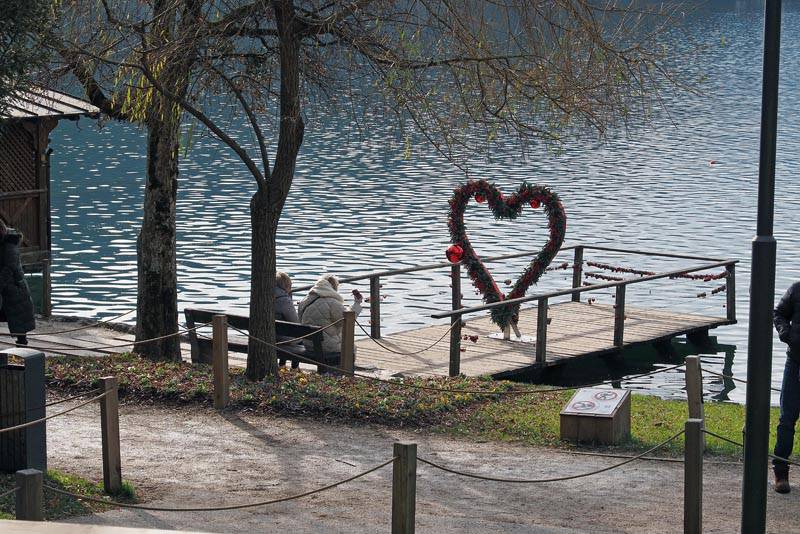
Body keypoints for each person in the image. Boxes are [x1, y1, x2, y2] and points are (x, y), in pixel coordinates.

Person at [297, 274, 362, 366]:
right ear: (333, 287)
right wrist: (357, 304)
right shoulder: (332, 302)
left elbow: (300, 319)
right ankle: (345, 372)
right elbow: (348, 320)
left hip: (308, 344)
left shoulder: (305, 300)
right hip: (326, 347)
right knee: (351, 347)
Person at [773, 282, 800, 493]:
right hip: (796, 363)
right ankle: (781, 473)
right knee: (787, 420)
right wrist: (786, 334)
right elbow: (779, 313)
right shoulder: (797, 289)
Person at [0, 220, 35, 345]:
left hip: (15, 286)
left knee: (19, 317)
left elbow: (9, 268)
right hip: (5, 286)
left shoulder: (10, 243)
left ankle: (22, 344)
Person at [274, 271, 304, 367]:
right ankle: (294, 368)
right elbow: (295, 323)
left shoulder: (265, 295)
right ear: (286, 286)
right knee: (300, 339)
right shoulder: (284, 300)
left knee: (287, 333)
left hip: (267, 336)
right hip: (279, 338)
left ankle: (282, 364)